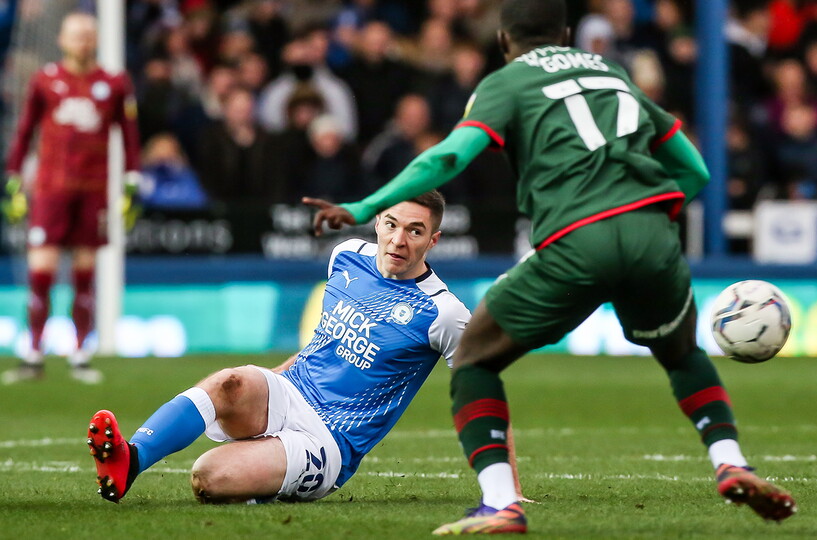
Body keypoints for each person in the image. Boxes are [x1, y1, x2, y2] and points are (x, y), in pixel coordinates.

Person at [303, 0, 797, 534]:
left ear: (503, 41)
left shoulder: (507, 82)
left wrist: (362, 206)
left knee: (474, 358)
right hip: (653, 234)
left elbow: (447, 158)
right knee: (681, 355)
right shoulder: (612, 73)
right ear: (565, 33)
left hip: (576, 238)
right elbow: (694, 168)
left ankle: (500, 503)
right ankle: (730, 462)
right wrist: (649, 217)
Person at [87, 192, 524, 505]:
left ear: (434, 240)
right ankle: (130, 459)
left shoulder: (443, 313)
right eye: (391, 225)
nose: (398, 240)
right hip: (290, 390)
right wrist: (272, 381)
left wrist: (508, 490)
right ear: (376, 221)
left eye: (415, 231)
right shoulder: (347, 256)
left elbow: (482, 391)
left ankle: (271, 471)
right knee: (232, 382)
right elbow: (323, 344)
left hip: (329, 442)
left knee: (209, 477)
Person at [1, 12, 140, 385]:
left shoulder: (114, 83)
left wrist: (131, 182)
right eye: (76, 35)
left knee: (84, 274)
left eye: (88, 35)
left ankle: (79, 353)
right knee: (41, 272)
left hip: (93, 191)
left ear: (96, 40)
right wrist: (13, 177)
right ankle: (33, 352)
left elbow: (128, 136)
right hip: (50, 190)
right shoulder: (45, 80)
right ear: (62, 40)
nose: (83, 42)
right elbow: (25, 129)